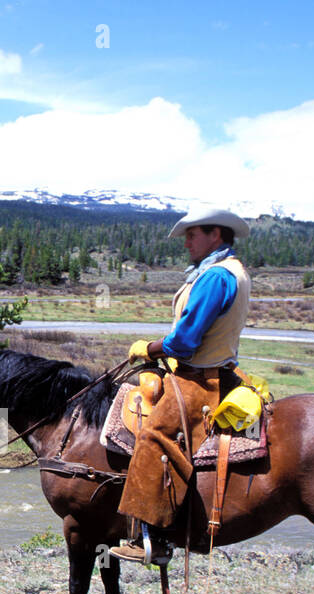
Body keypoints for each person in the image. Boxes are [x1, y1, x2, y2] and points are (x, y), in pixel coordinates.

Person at [110, 206, 252, 564]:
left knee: (153, 436)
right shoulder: (222, 270)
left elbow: (186, 340)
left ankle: (155, 540)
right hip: (206, 370)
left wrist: (151, 348)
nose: (186, 242)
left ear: (216, 234)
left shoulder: (216, 277)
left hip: (199, 380)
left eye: (192, 234)